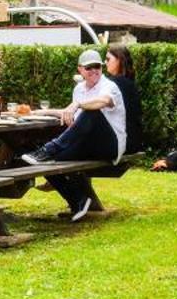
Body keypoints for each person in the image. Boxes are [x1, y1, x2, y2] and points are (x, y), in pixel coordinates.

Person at [20, 47, 128, 220]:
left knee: (93, 111)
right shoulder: (79, 89)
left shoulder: (109, 86)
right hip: (88, 145)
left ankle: (50, 148)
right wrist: (36, 113)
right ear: (80, 70)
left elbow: (102, 102)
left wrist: (78, 104)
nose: (94, 71)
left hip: (110, 145)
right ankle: (77, 200)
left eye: (97, 67)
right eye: (88, 67)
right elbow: (70, 114)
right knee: (48, 163)